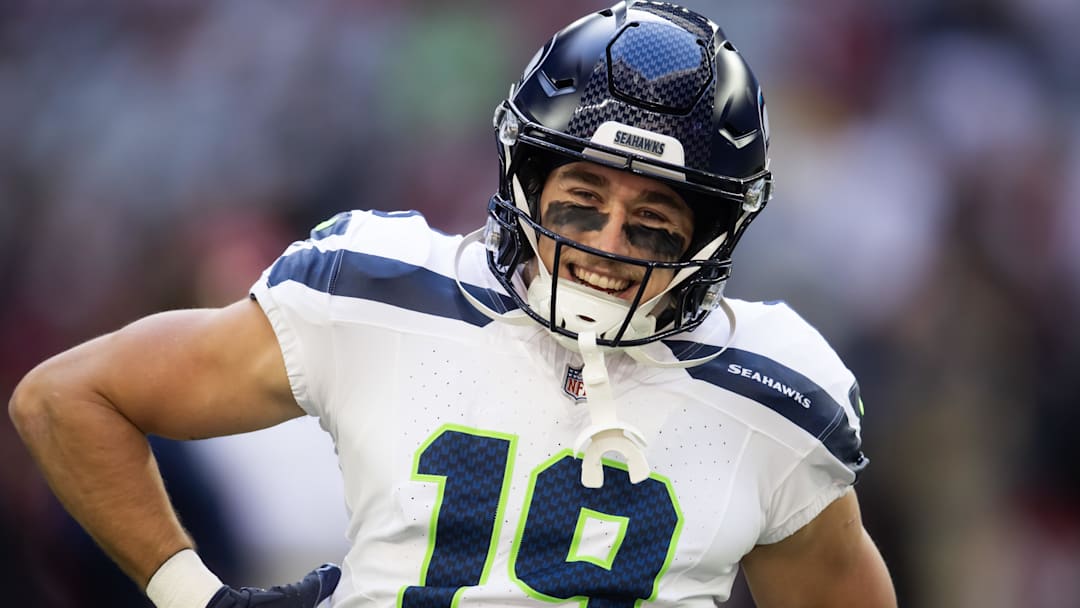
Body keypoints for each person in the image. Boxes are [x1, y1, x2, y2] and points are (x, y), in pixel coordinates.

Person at [9, 2, 897, 606]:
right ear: (524, 182)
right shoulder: (377, 291)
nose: (606, 245)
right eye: (580, 203)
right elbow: (64, 399)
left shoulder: (776, 395)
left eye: (653, 224)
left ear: (713, 235)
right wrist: (192, 595)